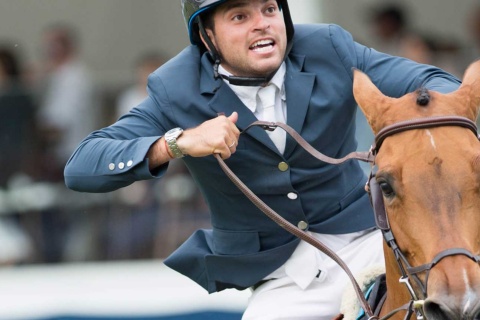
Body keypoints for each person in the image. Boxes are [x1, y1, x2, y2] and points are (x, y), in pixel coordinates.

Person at [64, 1, 461, 319]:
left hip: (371, 240)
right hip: (285, 279)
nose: (262, 24)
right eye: (240, 16)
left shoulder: (328, 46)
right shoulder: (174, 88)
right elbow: (81, 166)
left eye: (270, 10)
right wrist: (177, 142)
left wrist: (412, 136)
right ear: (206, 35)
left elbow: (437, 84)